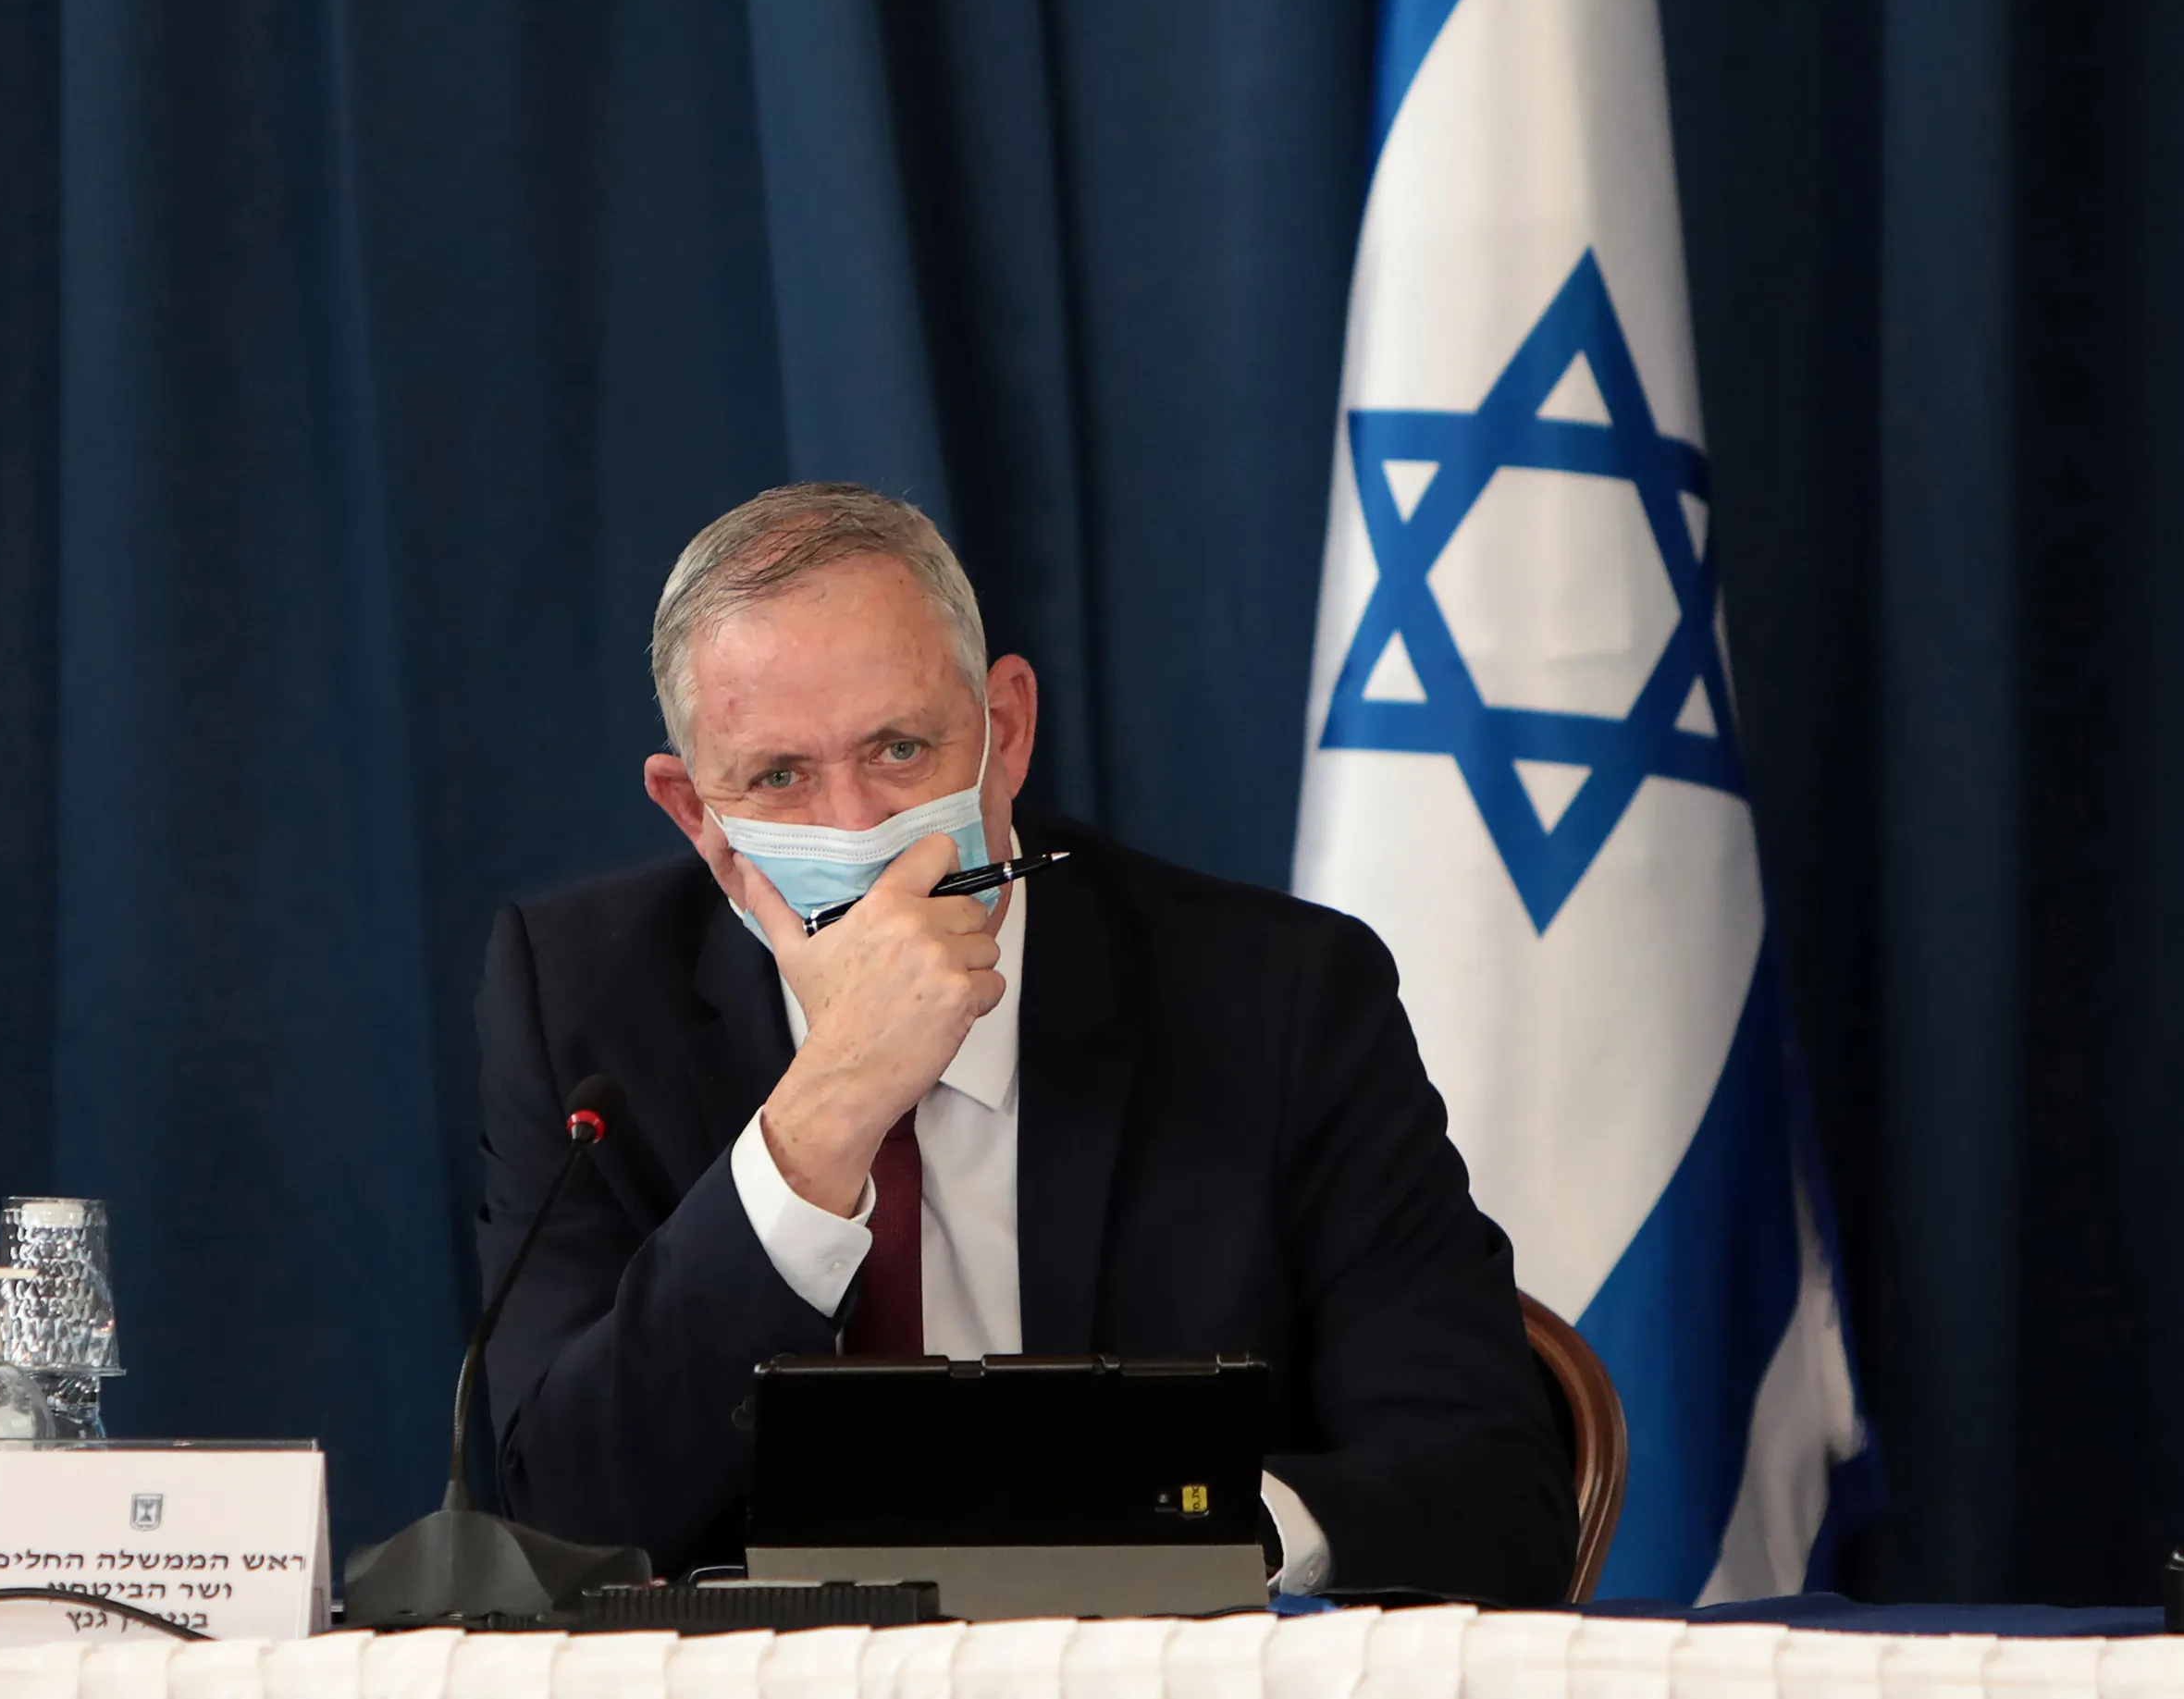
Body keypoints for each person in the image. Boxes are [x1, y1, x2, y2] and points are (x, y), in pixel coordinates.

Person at [475, 483, 1576, 1604]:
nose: (857, 832)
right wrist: (824, 1114)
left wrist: (1173, 1529)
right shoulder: (583, 1008)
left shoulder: (1279, 1001)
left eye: (900, 749)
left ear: (1004, 732)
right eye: (780, 778)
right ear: (694, 810)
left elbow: (1490, 1495)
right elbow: (562, 1519)